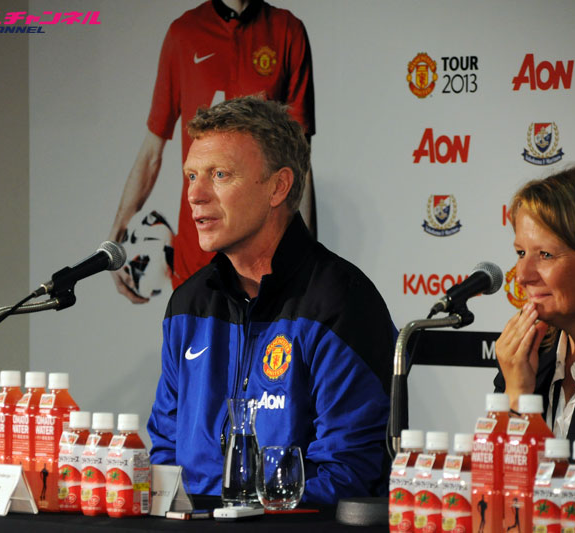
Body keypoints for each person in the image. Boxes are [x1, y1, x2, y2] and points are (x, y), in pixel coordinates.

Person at [146, 96, 396, 504]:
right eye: (191, 175)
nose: (195, 194)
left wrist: (244, 514)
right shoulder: (188, 304)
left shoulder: (340, 301)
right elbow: (166, 452)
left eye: (219, 174)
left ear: (278, 187)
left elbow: (350, 472)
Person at [109, 0, 316, 303]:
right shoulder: (184, 33)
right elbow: (151, 153)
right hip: (196, 261)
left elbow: (300, 164)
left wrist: (307, 258)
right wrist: (114, 240)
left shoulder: (287, 31)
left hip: (265, 262)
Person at [494, 163, 575, 441]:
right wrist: (516, 395)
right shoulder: (526, 355)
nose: (522, 276)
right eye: (521, 252)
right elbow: (499, 467)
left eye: (546, 255)